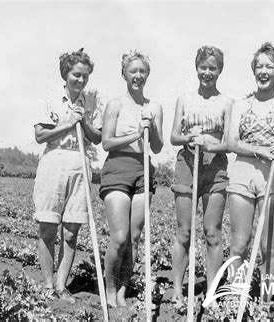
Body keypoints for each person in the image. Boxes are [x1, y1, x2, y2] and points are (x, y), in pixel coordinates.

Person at [226, 42, 274, 302]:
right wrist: (261, 150)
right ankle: (236, 300)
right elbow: (232, 142)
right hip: (242, 175)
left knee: (269, 246)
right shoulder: (239, 104)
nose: (263, 71)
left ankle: (265, 304)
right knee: (239, 243)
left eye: (269, 66)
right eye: (259, 66)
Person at [32, 48, 103, 304]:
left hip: (81, 163)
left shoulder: (92, 101)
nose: (81, 80)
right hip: (54, 160)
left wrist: (83, 123)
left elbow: (98, 138)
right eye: (76, 75)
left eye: (85, 76)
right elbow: (40, 135)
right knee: (48, 228)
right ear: (66, 73)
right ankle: (48, 285)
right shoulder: (50, 99)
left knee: (72, 231)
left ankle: (62, 285)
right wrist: (68, 122)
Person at [169, 46, 233, 306]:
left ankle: (211, 293)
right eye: (203, 67)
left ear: (220, 70)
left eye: (212, 68)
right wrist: (189, 139)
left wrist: (210, 144)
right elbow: (174, 136)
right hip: (187, 163)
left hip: (215, 166)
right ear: (196, 68)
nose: (207, 72)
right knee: (184, 232)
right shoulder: (184, 99)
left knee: (212, 232)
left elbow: (230, 142)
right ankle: (176, 289)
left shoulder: (227, 103)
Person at [100, 50, 163, 308]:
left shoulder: (154, 107)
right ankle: (110, 288)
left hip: (143, 170)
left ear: (148, 74)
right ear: (124, 73)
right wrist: (136, 134)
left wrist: (152, 128)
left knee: (135, 238)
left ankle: (123, 290)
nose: (138, 75)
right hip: (117, 168)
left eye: (142, 71)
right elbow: (106, 142)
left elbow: (157, 147)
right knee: (119, 237)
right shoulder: (115, 105)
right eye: (133, 71)